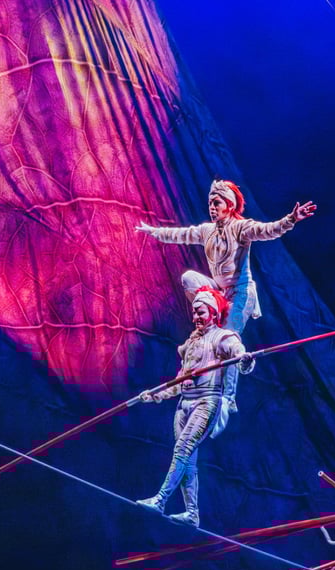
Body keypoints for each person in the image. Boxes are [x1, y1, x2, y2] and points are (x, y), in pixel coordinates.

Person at [135, 180, 316, 421]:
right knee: (189, 277)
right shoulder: (207, 230)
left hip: (240, 293)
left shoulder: (241, 228)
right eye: (210, 203)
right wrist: (154, 232)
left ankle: (228, 397)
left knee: (227, 338)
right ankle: (208, 320)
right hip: (219, 291)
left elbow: (268, 230)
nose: (212, 207)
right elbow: (181, 234)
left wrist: (291, 219)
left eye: (216, 203)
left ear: (229, 205)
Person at [136, 287, 256, 528]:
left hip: (206, 402)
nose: (195, 317)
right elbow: (179, 381)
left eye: (200, 312)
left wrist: (244, 359)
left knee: (182, 449)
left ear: (213, 313)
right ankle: (192, 513)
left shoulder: (222, 337)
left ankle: (160, 500)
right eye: (194, 313)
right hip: (184, 405)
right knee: (188, 460)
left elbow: (238, 354)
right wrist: (155, 395)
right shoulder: (191, 343)